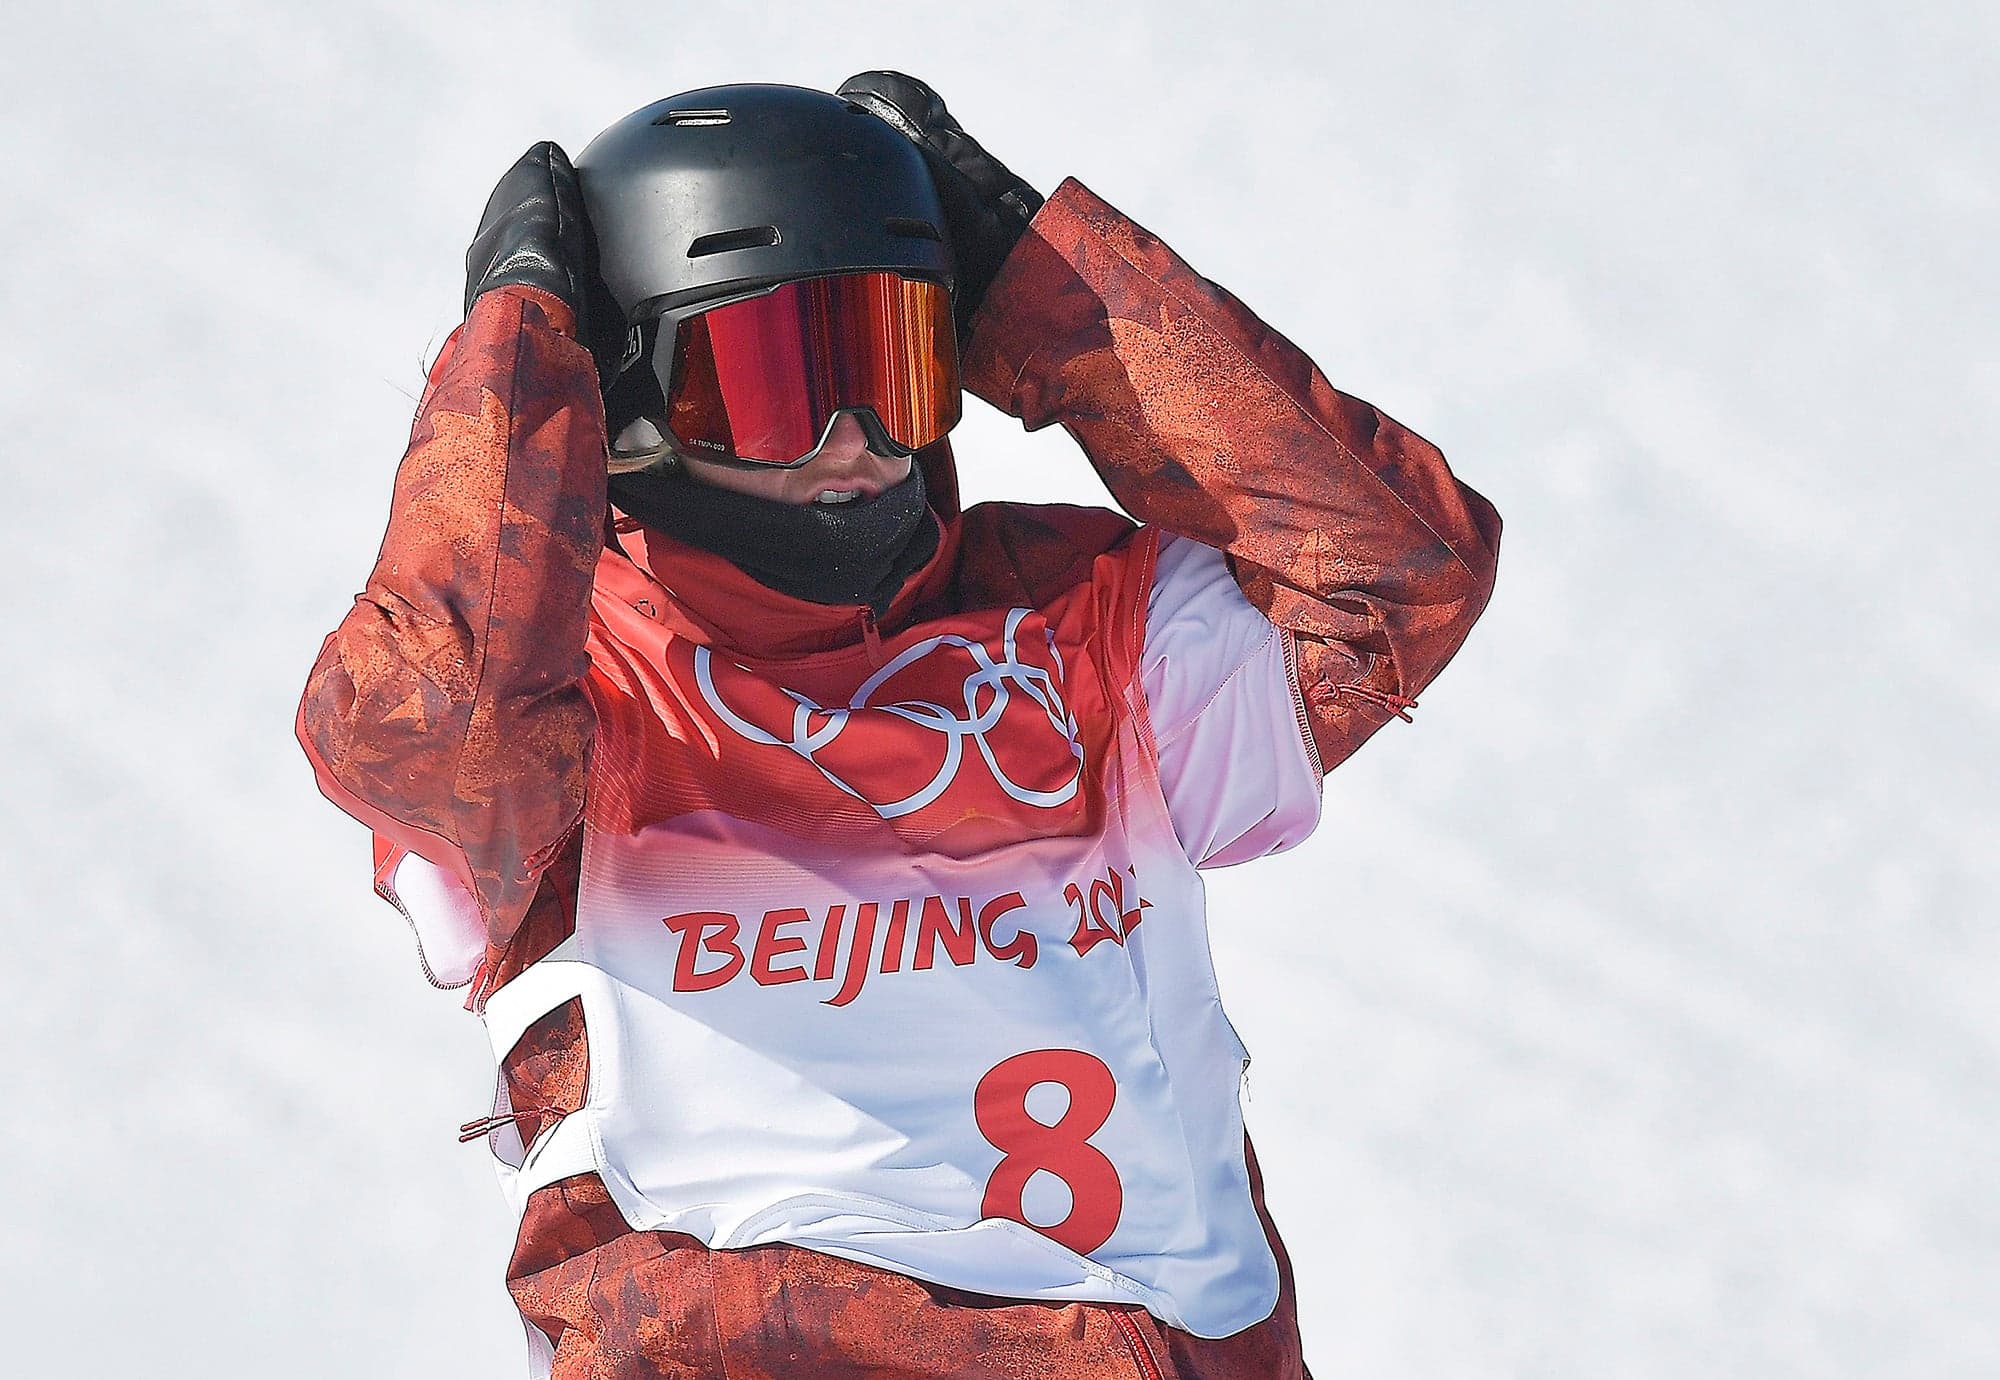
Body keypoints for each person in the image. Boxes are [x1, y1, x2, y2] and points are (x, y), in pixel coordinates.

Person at [297, 73, 1500, 1380]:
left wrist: (1047, 297)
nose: (854, 442)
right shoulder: (570, 687)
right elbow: (427, 734)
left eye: (894, 364)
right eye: (772, 384)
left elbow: (1394, 571)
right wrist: (518, 359)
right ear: (628, 404)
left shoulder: (1086, 629)